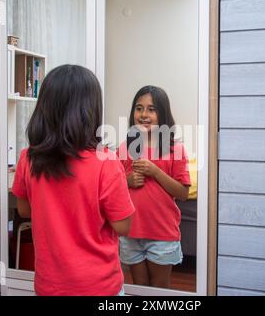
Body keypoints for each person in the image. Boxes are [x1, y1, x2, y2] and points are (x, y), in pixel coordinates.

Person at [11, 65, 135, 296]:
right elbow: (123, 226)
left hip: (50, 286)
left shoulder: (28, 158)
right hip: (99, 287)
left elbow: (24, 210)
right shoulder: (106, 161)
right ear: (91, 110)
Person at [117, 86, 191, 288]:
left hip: (162, 233)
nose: (144, 115)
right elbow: (112, 186)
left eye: (151, 109)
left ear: (163, 113)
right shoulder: (125, 147)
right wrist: (128, 180)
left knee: (159, 288)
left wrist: (156, 172)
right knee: (139, 287)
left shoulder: (175, 149)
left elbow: (183, 193)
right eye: (139, 108)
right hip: (131, 232)